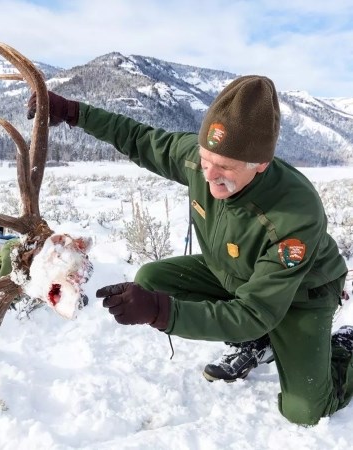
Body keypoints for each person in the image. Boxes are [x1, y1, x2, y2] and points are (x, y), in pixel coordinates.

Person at [27, 75, 352, 426]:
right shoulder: (202, 161)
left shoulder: (294, 215)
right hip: (235, 272)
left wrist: (159, 312)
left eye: (225, 167)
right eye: (205, 159)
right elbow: (139, 139)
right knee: (153, 279)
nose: (209, 175)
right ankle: (261, 342)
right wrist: (75, 112)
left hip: (301, 294)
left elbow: (257, 310)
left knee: (305, 411)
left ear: (260, 164)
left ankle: (344, 350)